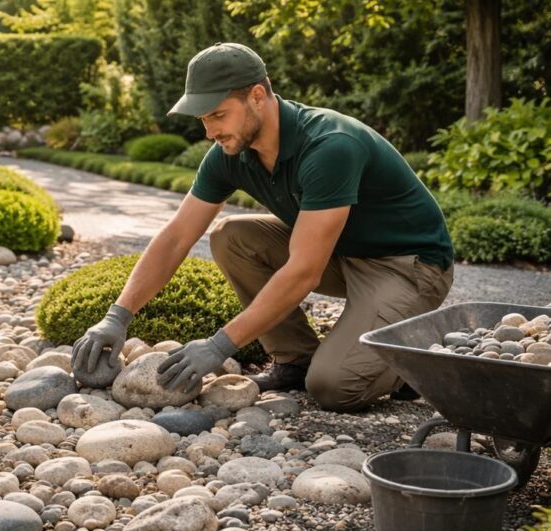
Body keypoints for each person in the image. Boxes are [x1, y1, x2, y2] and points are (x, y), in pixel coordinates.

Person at [70, 42, 454, 412]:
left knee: (334, 388)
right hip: (341, 253)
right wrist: (117, 316)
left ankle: (406, 355)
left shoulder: (329, 146)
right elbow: (176, 237)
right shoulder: (230, 152)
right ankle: (295, 360)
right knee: (231, 237)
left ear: (257, 95)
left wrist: (220, 346)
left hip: (408, 266)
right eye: (203, 119)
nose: (209, 132)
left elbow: (304, 271)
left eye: (218, 115)